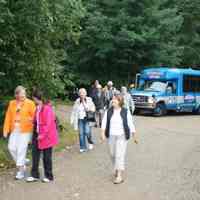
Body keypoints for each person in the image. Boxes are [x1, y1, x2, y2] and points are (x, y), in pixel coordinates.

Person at [101, 94, 138, 184]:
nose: (113, 101)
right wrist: (102, 133)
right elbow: (104, 122)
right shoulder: (108, 111)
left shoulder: (125, 111)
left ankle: (119, 176)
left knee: (119, 155)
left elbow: (130, 124)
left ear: (120, 102)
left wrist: (134, 136)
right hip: (111, 136)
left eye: (115, 100)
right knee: (112, 154)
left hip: (122, 135)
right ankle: (117, 168)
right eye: (113, 99)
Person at [3, 86, 36, 180]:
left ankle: (21, 171)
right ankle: (22, 161)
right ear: (16, 95)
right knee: (11, 148)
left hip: (26, 130)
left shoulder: (30, 103)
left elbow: (35, 116)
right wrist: (5, 130)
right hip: (15, 129)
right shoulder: (12, 103)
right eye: (21, 95)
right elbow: (8, 117)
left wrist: (31, 120)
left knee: (21, 149)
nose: (23, 97)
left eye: (24, 95)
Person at [26, 90, 58, 183]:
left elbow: (48, 124)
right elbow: (37, 120)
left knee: (47, 157)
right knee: (35, 155)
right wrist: (31, 120)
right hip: (37, 133)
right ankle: (34, 175)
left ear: (36, 98)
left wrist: (42, 135)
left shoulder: (47, 108)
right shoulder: (38, 107)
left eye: (33, 98)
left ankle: (49, 176)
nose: (33, 100)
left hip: (47, 136)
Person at [70, 88, 95, 153]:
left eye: (83, 93)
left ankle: (90, 142)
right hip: (80, 119)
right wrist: (72, 120)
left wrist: (84, 102)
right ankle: (82, 147)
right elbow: (74, 110)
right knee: (81, 133)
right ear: (79, 94)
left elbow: (90, 109)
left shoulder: (89, 100)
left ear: (86, 93)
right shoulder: (77, 101)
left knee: (87, 132)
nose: (82, 94)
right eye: (80, 93)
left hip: (87, 118)